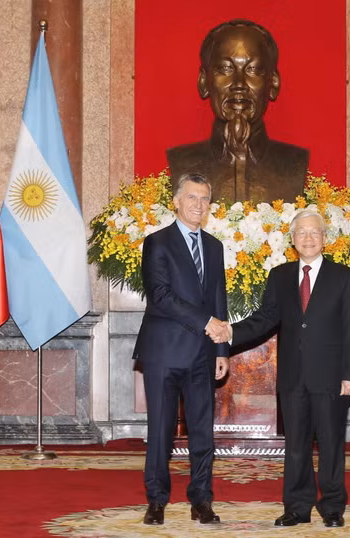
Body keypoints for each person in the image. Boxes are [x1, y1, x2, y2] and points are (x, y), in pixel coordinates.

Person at [208, 209, 350, 528]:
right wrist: (231, 332)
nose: (308, 238)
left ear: (324, 238)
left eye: (314, 232)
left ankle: (332, 506)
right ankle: (297, 507)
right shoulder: (279, 276)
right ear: (292, 239)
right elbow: (265, 319)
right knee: (296, 446)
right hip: (292, 377)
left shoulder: (344, 277)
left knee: (331, 443)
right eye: (301, 232)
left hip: (332, 376)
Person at [133, 173, 231, 525]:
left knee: (203, 432)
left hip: (203, 354)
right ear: (176, 201)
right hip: (163, 352)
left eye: (204, 198)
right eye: (192, 197)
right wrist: (206, 322)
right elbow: (160, 296)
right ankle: (156, 500)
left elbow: (218, 298)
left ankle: (201, 500)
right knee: (160, 431)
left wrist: (222, 350)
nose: (198, 204)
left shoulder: (215, 246)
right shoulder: (157, 242)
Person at [167, 19, 309, 203]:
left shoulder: (294, 163)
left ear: (273, 83)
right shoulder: (181, 161)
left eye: (253, 69)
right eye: (225, 69)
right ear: (204, 82)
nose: (239, 84)